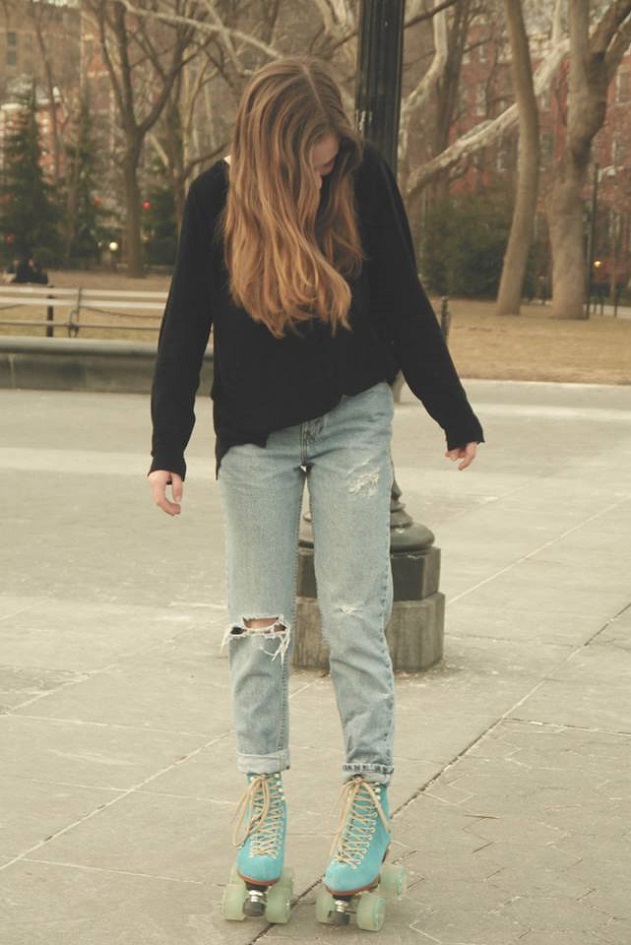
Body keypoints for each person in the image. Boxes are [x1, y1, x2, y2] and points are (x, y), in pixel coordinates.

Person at [149, 57, 483, 919]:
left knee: (354, 614)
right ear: (270, 148)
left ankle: (366, 795)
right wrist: (167, 448)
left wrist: (452, 412)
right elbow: (185, 320)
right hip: (254, 436)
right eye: (312, 154)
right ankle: (262, 799)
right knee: (257, 623)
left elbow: (402, 295)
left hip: (352, 419)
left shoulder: (362, 176)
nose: (327, 163)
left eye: (333, 148)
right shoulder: (212, 198)